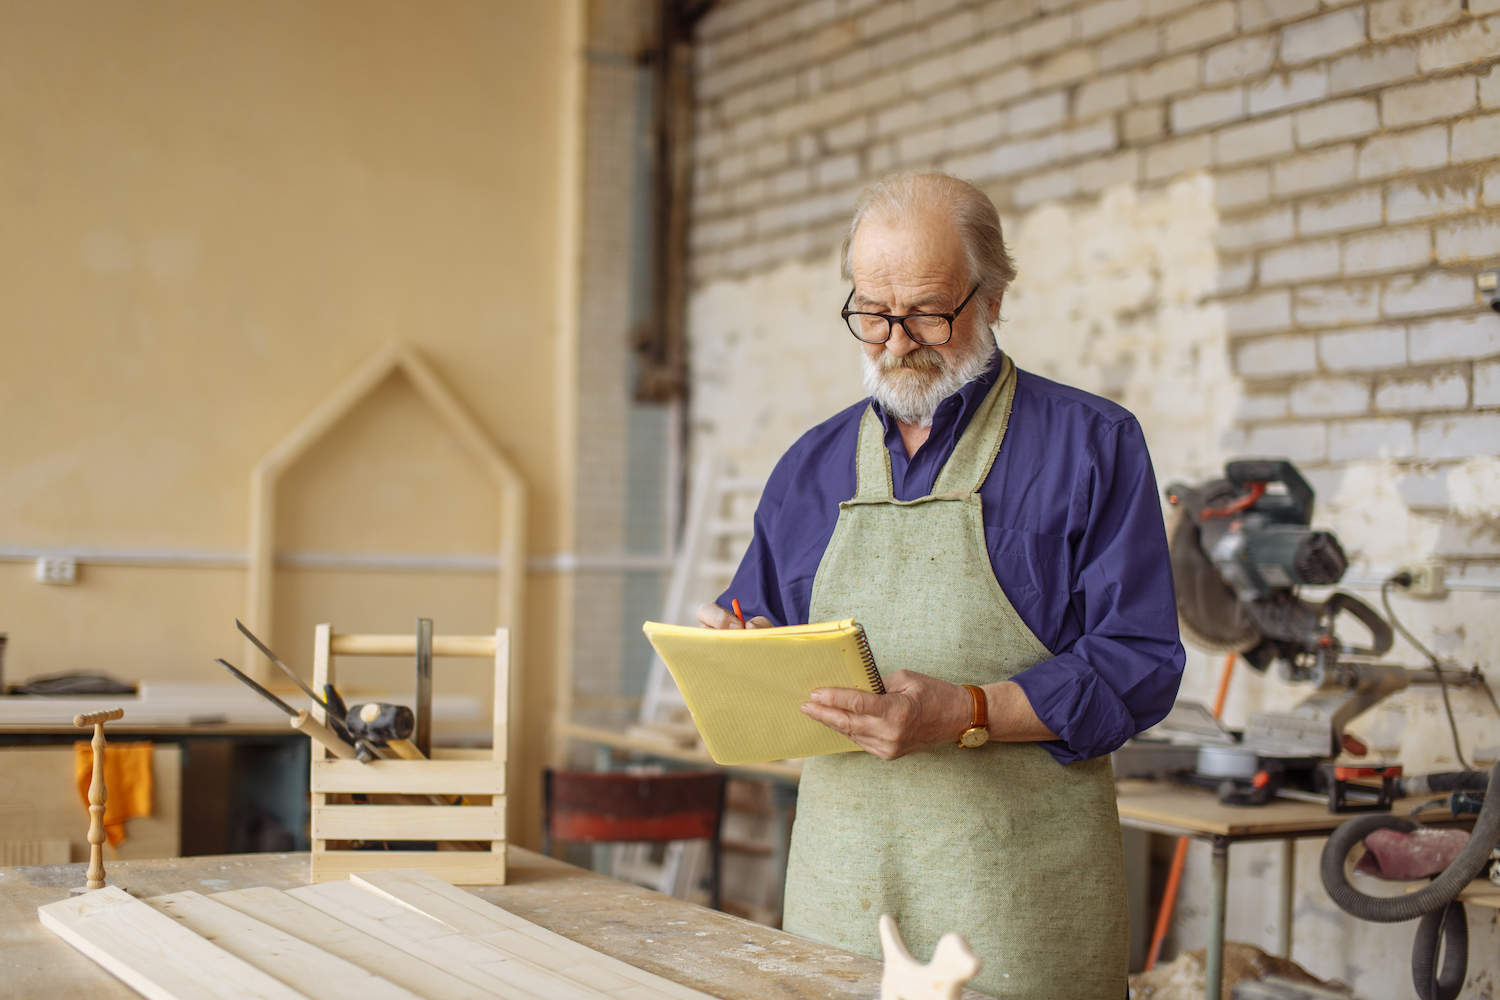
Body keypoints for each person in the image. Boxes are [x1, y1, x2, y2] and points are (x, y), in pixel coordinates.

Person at [697, 171, 1185, 999]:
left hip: (1018, 909)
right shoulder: (809, 468)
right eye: (872, 313)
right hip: (841, 896)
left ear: (992, 297)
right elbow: (761, 631)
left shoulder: (1092, 445)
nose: (895, 342)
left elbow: (1137, 663)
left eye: (927, 311)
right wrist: (736, 655)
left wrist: (966, 712)